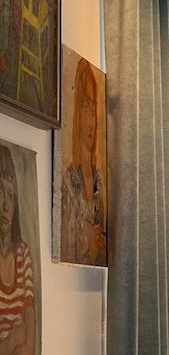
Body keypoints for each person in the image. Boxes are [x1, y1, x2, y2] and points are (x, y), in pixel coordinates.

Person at [0, 144, 36, 355]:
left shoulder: (23, 254)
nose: (4, 207)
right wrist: (14, 337)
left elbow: (29, 350)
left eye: (10, 197)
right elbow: (21, 333)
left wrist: (23, 345)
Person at [61, 56, 106, 265]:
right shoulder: (70, 182)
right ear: (78, 114)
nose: (90, 120)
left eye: (93, 110)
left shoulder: (99, 182)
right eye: (85, 108)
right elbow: (70, 249)